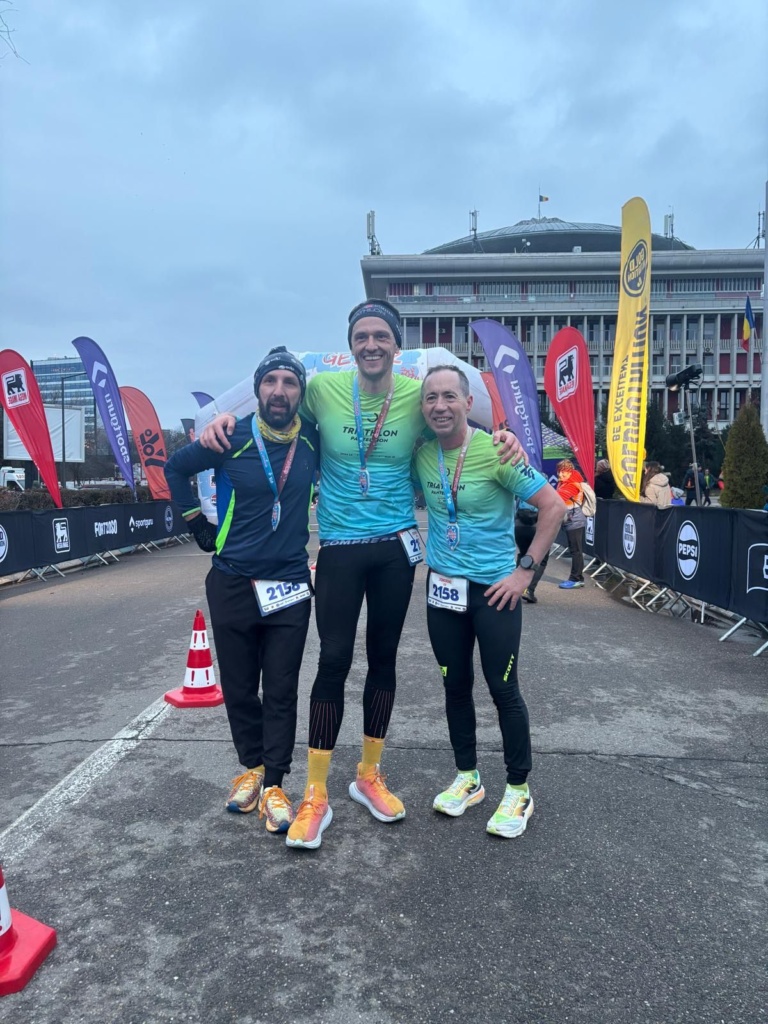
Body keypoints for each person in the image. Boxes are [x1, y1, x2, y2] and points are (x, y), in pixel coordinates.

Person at [200, 300, 525, 850]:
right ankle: (315, 792)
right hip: (340, 548)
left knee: (383, 661)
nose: (371, 344)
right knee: (332, 662)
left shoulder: (417, 396)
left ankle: (369, 775)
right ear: (350, 345)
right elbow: (272, 406)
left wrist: (505, 435)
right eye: (361, 336)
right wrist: (221, 420)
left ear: (396, 345)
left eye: (380, 336)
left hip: (395, 549)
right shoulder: (323, 389)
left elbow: (457, 421)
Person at [164, 348, 319, 834]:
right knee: (238, 686)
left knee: (281, 687)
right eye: (270, 381)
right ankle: (251, 768)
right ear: (257, 391)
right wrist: (196, 522)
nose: (279, 391)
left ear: (300, 392)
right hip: (232, 579)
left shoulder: (314, 438)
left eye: (289, 382)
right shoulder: (229, 436)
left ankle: (275, 782)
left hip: (289, 584)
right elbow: (175, 468)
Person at [413, 365, 565, 837]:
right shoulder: (422, 454)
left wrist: (525, 572)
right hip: (443, 590)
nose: (440, 406)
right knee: (454, 686)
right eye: (431, 398)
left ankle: (519, 790)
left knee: (503, 690)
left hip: (494, 592)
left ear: (467, 403)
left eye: (449, 397)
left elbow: (554, 506)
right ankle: (468, 777)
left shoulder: (497, 450)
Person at [555, 459, 586, 589]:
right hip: (571, 520)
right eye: (559, 471)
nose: (561, 474)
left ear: (570, 472)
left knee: (576, 551)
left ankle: (576, 578)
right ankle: (578, 578)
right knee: (575, 550)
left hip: (575, 521)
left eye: (564, 472)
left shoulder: (572, 484)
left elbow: (557, 498)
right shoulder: (565, 483)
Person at [515, 500, 549, 604]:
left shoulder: (523, 492)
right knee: (541, 560)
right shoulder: (546, 492)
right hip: (537, 527)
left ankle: (516, 586)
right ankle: (529, 590)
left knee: (523, 555)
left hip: (519, 526)